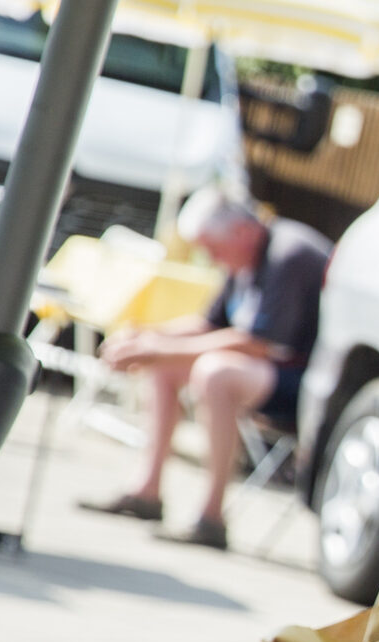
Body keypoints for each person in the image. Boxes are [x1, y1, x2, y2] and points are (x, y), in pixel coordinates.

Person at [80, 188, 331, 549]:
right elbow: (209, 325)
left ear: (242, 233)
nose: (210, 259)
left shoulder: (288, 255)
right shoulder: (242, 255)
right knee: (165, 366)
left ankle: (211, 517)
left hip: (307, 386)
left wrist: (162, 347)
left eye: (212, 248)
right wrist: (146, 338)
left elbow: (258, 343)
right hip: (263, 370)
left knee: (214, 373)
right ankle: (147, 491)